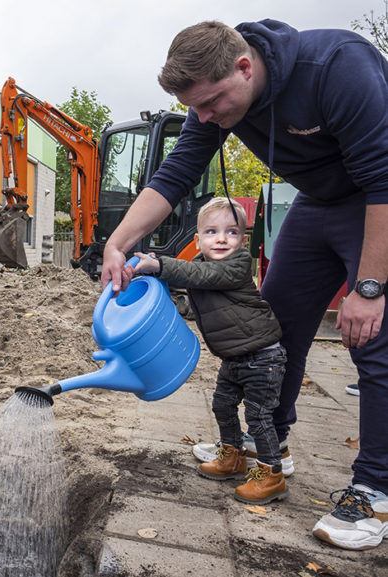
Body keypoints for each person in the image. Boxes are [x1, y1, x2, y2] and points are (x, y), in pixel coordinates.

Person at [101, 20, 388, 550]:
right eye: (198, 109)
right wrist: (118, 243)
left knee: (374, 339)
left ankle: (375, 486)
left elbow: (383, 177)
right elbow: (176, 172)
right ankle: (269, 445)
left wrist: (369, 288)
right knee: (270, 328)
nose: (206, 118)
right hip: (316, 202)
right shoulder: (212, 99)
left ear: (244, 67)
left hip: (376, 202)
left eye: (211, 104)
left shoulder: (337, 66)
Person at [130, 198, 287, 503]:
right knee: (222, 405)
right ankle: (232, 456)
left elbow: (201, 278)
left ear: (243, 240)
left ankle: (271, 475)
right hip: (234, 357)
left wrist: (160, 264)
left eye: (231, 233)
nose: (221, 239)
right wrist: (152, 277)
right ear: (197, 239)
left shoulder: (237, 265)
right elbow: (193, 295)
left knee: (258, 416)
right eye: (212, 231)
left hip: (263, 356)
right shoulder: (198, 267)